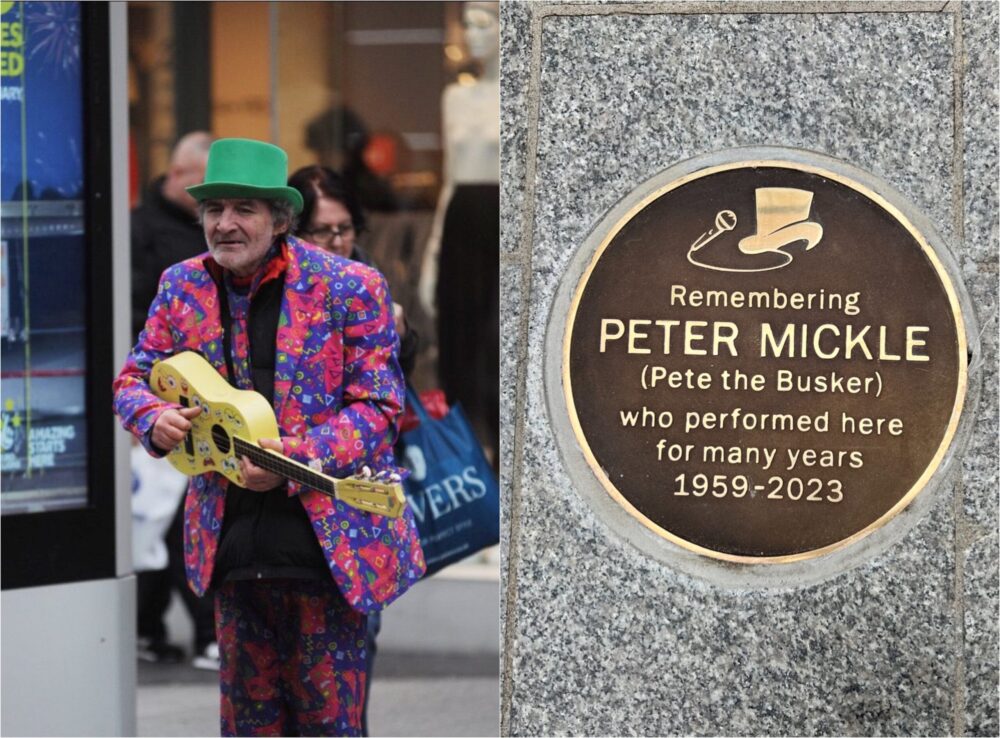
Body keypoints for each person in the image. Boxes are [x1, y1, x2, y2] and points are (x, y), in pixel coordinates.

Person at [113, 138, 425, 736]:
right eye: (214, 210)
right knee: (247, 728)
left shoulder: (351, 286)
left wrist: (297, 459)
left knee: (329, 726)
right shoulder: (182, 285)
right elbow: (132, 379)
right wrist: (152, 417)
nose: (225, 224)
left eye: (243, 209)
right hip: (231, 548)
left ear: (281, 220)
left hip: (326, 550)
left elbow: (380, 406)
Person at [288, 165, 417, 737]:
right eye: (322, 231)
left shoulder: (367, 280)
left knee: (352, 658)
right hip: (288, 500)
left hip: (358, 503)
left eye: (344, 230)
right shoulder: (281, 293)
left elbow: (388, 393)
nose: (336, 243)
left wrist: (399, 333)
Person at [130, 130, 220, 669]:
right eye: (209, 197)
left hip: (215, 400)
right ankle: (154, 627)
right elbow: (133, 356)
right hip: (165, 397)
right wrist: (145, 410)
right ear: (179, 174)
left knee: (184, 512)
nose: (222, 220)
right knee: (160, 516)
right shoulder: (139, 231)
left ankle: (198, 630)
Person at [419, 0, 499, 467]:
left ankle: (506, 458)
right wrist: (432, 253)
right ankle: (467, 464)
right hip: (460, 225)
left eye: (482, 23)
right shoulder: (455, 97)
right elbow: (450, 179)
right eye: (466, 24)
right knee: (458, 348)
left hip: (503, 220)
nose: (471, 34)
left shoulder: (523, 92)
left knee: (499, 344)